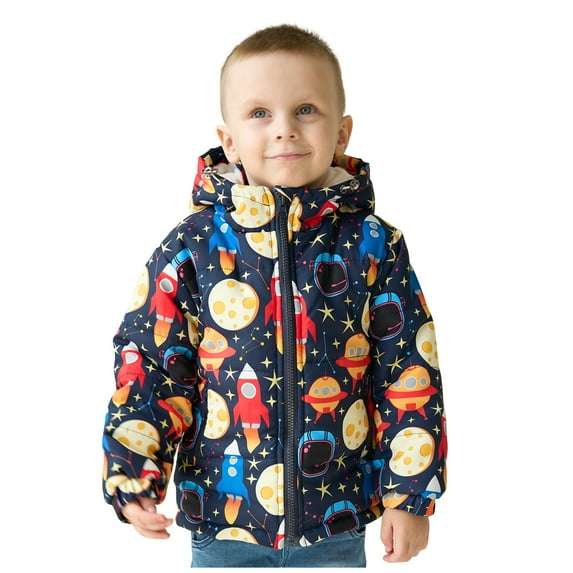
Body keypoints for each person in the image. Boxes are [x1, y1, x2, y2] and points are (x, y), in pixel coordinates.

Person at [102, 23, 447, 568]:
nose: (284, 130)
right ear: (229, 141)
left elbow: (408, 370)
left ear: (341, 132)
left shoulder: (374, 245)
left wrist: (410, 495)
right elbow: (151, 362)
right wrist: (132, 472)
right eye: (260, 113)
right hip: (223, 521)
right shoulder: (193, 247)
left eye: (306, 109)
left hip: (335, 522)